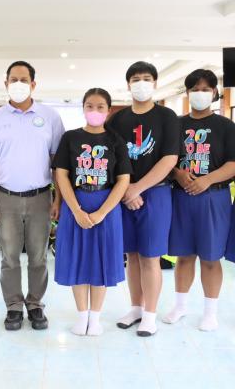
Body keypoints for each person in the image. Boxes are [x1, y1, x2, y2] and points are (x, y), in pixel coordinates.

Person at [0, 61, 65, 331]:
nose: (18, 84)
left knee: (38, 256)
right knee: (10, 257)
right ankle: (13, 306)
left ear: (33, 84)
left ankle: (35, 304)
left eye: (24, 80)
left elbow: (58, 164)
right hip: (6, 199)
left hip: (40, 198)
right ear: (5, 84)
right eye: (13, 79)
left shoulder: (50, 117)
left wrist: (58, 199)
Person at [108, 61, 180, 336]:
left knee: (150, 257)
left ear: (155, 83)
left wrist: (137, 188)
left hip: (156, 192)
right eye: (135, 79)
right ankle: (136, 308)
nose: (141, 83)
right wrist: (127, 189)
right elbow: (113, 158)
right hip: (125, 193)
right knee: (132, 255)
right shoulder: (117, 120)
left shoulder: (167, 116)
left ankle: (150, 314)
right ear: (128, 84)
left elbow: (169, 158)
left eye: (146, 78)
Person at [53, 88, 131, 336]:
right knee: (77, 259)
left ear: (108, 110)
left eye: (100, 107)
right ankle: (81, 316)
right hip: (75, 204)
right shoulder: (70, 138)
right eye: (89, 106)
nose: (94, 111)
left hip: (106, 206)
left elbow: (123, 179)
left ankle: (95, 318)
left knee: (101, 261)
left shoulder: (116, 140)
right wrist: (75, 210)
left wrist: (102, 213)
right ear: (83, 108)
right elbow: (61, 175)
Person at [164, 69, 235, 331]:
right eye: (195, 89)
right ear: (187, 93)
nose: (200, 93)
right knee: (184, 256)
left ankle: (210, 312)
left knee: (210, 258)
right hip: (180, 197)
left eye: (206, 89)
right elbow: (165, 159)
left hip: (214, 198)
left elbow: (233, 163)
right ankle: (180, 306)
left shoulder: (226, 126)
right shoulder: (175, 125)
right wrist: (177, 173)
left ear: (215, 93)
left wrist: (207, 179)